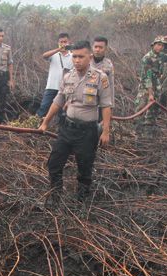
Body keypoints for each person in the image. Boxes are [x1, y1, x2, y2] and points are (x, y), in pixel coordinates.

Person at [37, 41, 112, 202]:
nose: (77, 60)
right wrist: (46, 122)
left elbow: (106, 106)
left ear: (89, 57)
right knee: (54, 164)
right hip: (67, 129)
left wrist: (106, 131)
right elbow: (58, 100)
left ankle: (81, 202)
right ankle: (55, 197)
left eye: (81, 57)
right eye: (74, 56)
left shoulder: (100, 78)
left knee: (84, 169)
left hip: (87, 132)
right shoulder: (68, 76)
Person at [133, 36, 167, 128]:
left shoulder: (160, 57)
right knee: (141, 110)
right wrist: (150, 94)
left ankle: (149, 135)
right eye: (159, 45)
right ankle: (138, 133)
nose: (161, 47)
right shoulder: (147, 58)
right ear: (153, 45)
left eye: (162, 46)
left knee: (153, 113)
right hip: (146, 89)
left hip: (156, 88)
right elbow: (148, 78)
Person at [37, 33, 73, 118]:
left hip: (65, 89)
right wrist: (58, 49)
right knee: (44, 108)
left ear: (69, 42)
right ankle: (36, 127)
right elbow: (44, 56)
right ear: (58, 42)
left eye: (65, 42)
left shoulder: (73, 56)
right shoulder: (54, 55)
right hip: (51, 87)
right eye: (61, 42)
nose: (63, 44)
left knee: (62, 112)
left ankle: (59, 130)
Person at [90, 36, 115, 102]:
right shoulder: (86, 60)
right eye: (95, 47)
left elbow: (111, 85)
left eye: (100, 47)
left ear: (106, 49)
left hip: (102, 100)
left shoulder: (108, 64)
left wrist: (111, 104)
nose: (97, 50)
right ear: (92, 47)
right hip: (87, 101)